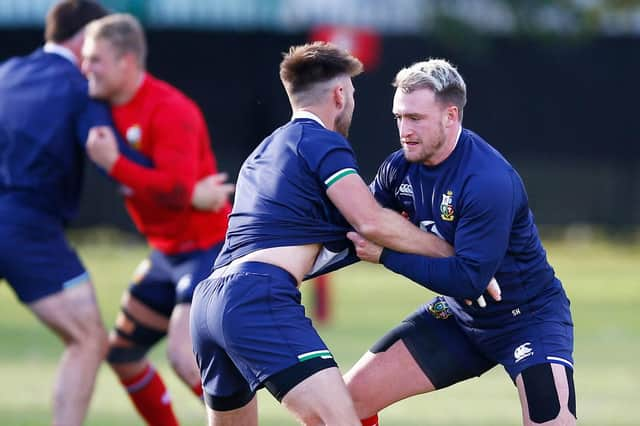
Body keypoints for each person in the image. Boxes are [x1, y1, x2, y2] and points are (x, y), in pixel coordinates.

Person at [187, 41, 474, 426]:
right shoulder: (321, 141)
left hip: (208, 304)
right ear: (340, 95)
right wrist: (451, 253)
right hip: (255, 298)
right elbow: (369, 220)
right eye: (352, 93)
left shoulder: (265, 152)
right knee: (339, 418)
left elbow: (334, 239)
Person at [343, 59, 576, 426]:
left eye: (416, 118)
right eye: (399, 117)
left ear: (451, 115)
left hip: (526, 319)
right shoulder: (398, 168)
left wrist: (387, 255)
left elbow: (468, 279)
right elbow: (355, 227)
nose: (404, 129)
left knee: (551, 421)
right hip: (459, 317)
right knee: (340, 406)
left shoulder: (487, 179)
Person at [0, 1, 154, 424]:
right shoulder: (80, 84)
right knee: (88, 338)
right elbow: (109, 156)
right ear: (85, 36)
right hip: (25, 223)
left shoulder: (7, 72)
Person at [81, 13, 234, 426]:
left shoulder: (170, 109)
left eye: (96, 59)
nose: (86, 68)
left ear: (127, 62)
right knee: (123, 356)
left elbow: (173, 191)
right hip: (166, 253)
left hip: (207, 246)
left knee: (184, 357)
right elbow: (185, 192)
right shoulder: (98, 105)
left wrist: (117, 165)